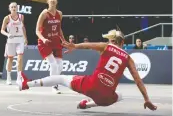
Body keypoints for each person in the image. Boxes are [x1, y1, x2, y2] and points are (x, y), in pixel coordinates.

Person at [18, 29, 157, 111]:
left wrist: (75, 46)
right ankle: (88, 104)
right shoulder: (128, 58)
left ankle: (27, 84)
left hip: (90, 86)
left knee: (60, 78)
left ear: (113, 41)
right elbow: (138, 81)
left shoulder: (106, 46)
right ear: (123, 43)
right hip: (105, 99)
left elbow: (88, 45)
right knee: (120, 95)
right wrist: (147, 99)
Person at [36, 0, 67, 94]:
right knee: (53, 65)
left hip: (56, 42)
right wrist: (43, 39)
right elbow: (37, 30)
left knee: (60, 66)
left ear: (57, 1)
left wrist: (63, 40)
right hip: (45, 42)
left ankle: (53, 81)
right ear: (48, 1)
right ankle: (54, 86)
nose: (53, 0)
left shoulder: (60, 14)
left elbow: (59, 29)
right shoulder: (44, 13)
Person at [1, 2, 28, 85]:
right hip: (11, 41)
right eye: (12, 7)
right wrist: (8, 34)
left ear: (17, 8)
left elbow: (23, 27)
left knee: (20, 58)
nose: (14, 8)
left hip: (19, 39)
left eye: (15, 7)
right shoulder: (7, 18)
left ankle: (18, 78)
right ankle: (8, 77)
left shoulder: (21, 17)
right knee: (10, 59)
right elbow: (2, 30)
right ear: (9, 9)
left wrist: (25, 38)